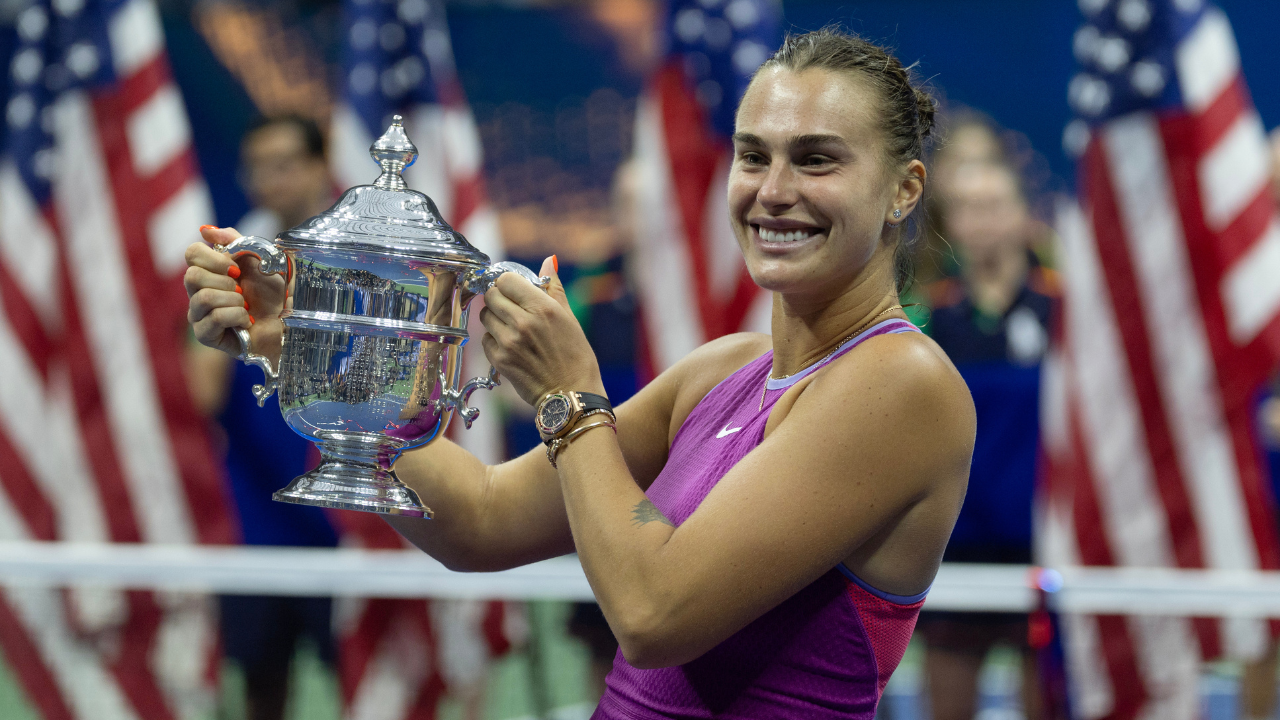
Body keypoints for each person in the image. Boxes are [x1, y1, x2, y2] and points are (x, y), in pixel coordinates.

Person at [185, 28, 976, 718]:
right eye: (753, 156)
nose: (773, 192)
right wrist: (299, 349)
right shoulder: (726, 371)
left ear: (904, 189)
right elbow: (483, 521)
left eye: (816, 160)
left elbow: (653, 613)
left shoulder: (903, 381)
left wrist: (569, 398)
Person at [184, 114, 339, 720]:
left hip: (347, 513)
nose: (269, 180)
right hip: (257, 513)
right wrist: (227, 303)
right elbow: (201, 392)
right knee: (261, 686)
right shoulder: (227, 263)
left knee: (375, 677)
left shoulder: (361, 262)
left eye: (285, 163)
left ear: (321, 167)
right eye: (257, 167)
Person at [914, 157, 1055, 720]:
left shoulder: (1068, 314)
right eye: (968, 208)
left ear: (1024, 216)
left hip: (1045, 553)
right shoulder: (926, 324)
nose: (983, 221)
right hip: (952, 556)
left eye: (995, 205)